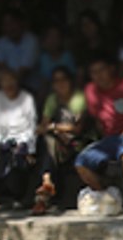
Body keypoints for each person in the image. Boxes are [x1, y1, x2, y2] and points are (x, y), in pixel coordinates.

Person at [0, 68, 38, 211]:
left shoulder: (27, 98)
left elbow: (31, 126)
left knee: (17, 158)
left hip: (21, 140)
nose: (8, 84)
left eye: (12, 80)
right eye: (5, 81)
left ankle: (17, 198)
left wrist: (31, 149)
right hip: (0, 140)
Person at [74, 56, 123, 210]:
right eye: (93, 72)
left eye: (101, 70)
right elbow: (97, 117)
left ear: (111, 69)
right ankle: (106, 195)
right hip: (109, 139)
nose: (98, 75)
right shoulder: (90, 90)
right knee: (81, 162)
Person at [32, 67, 88, 214]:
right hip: (57, 142)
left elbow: (77, 128)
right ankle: (46, 184)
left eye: (63, 79)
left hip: (77, 142)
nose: (60, 84)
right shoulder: (52, 99)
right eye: (56, 81)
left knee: (48, 142)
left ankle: (45, 186)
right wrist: (54, 129)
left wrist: (54, 127)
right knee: (47, 141)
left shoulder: (79, 98)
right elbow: (44, 125)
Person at [0, 9, 41, 87]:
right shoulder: (0, 42)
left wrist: (9, 81)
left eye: (12, 23)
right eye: (6, 24)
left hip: (30, 87)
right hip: (6, 86)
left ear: (21, 23)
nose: (10, 28)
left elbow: (24, 71)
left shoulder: (31, 40)